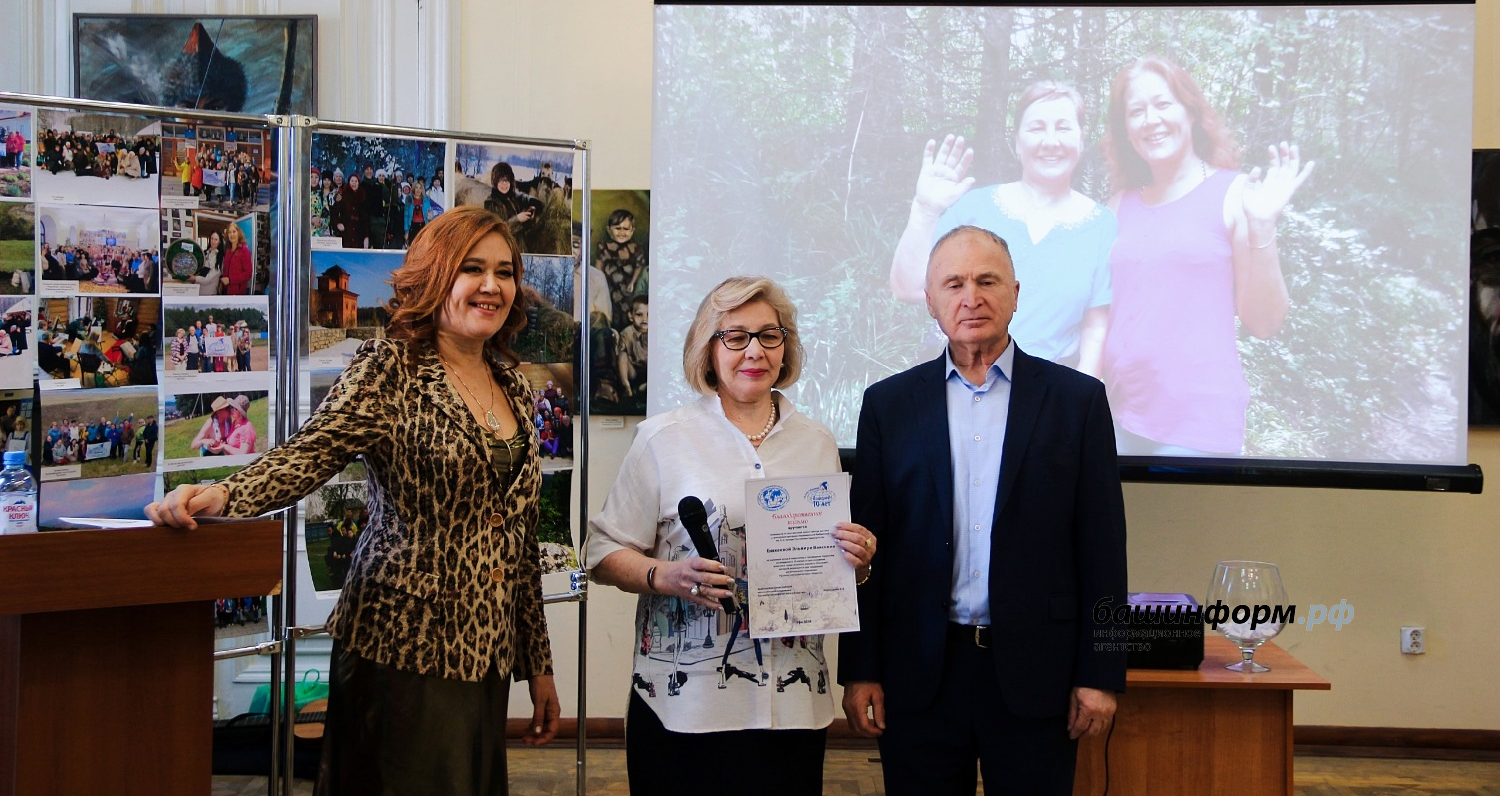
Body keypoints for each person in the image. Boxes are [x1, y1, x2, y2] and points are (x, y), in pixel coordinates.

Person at [146, 206, 559, 795]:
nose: (492, 286)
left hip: (485, 654)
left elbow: (515, 540)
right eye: (472, 269)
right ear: (436, 275)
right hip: (401, 644)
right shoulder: (388, 370)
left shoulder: (515, 384)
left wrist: (537, 662)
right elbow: (306, 457)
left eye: (505, 271)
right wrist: (221, 492)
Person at [840, 226, 1127, 796]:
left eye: (987, 280)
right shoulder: (888, 406)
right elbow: (865, 551)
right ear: (931, 302)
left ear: (1016, 293)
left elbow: (1103, 550)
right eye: (954, 283)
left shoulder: (1078, 403)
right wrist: (861, 668)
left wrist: (1101, 674)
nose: (971, 296)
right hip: (920, 674)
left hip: (1036, 676)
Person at [585, 276, 876, 796]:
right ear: (708, 348)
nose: (755, 351)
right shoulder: (664, 439)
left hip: (793, 708)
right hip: (686, 708)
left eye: (769, 335)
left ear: (785, 347)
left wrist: (859, 559)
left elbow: (829, 563)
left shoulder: (817, 441)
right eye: (735, 336)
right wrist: (664, 575)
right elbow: (602, 552)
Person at [1101, 56, 1313, 455]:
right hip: (1118, 416)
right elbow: (1101, 312)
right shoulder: (1118, 206)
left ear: (1190, 111)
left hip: (1197, 426)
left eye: (1163, 104)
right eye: (1136, 111)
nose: (1151, 119)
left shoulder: (1234, 195)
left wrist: (1263, 226)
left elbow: (1263, 323)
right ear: (1125, 129)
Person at [888, 81, 1115, 374]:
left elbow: (1095, 330)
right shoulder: (975, 210)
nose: (1050, 141)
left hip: (1052, 390)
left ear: (1081, 140)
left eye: (1063, 127)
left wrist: (1079, 406)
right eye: (1036, 128)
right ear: (1017, 142)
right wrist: (925, 209)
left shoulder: (1101, 225)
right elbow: (908, 288)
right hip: (963, 383)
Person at [222, 223, 253, 295]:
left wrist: (230, 280)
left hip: (238, 292)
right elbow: (226, 269)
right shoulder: (228, 250)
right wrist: (222, 283)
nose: (232, 234)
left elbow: (248, 273)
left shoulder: (244, 250)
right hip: (226, 290)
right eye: (229, 232)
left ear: (238, 233)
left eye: (234, 231)